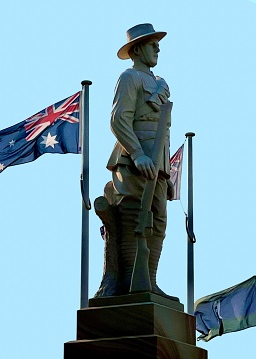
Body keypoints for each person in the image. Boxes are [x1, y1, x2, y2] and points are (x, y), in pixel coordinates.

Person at [95, 23, 176, 299]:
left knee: (159, 222)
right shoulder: (130, 78)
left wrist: (164, 169)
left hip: (159, 164)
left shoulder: (160, 83)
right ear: (138, 48)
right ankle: (131, 283)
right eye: (152, 44)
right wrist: (137, 153)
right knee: (134, 219)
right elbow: (118, 119)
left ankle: (149, 281)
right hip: (135, 161)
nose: (158, 48)